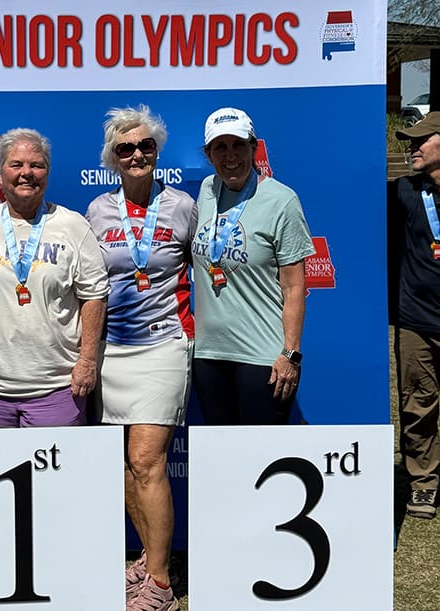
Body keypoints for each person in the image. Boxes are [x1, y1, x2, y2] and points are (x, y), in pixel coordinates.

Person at [85, 106, 195, 611]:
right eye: (125, 148)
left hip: (164, 346)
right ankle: (147, 557)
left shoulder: (183, 207)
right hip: (112, 352)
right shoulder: (96, 212)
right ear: (112, 157)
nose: (137, 155)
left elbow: (208, 267)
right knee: (124, 466)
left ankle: (160, 581)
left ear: (157, 152)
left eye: (145, 146)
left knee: (147, 460)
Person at [0, 128, 109, 427]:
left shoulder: (73, 225)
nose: (26, 173)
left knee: (58, 475)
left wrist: (86, 362)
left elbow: (94, 295)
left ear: (47, 172)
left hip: (57, 389)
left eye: (37, 165)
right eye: (16, 165)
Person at [191, 107, 314, 426]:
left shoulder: (281, 201)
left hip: (262, 357)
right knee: (221, 458)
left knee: (261, 462)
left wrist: (291, 354)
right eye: (220, 147)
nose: (230, 156)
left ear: (253, 148)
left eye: (238, 146)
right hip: (209, 356)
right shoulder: (206, 192)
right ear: (208, 154)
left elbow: (294, 287)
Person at [389, 111, 440, 519]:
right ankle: (423, 483)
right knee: (417, 405)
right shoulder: (405, 191)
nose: (412, 148)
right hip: (416, 321)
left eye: (421, 140)